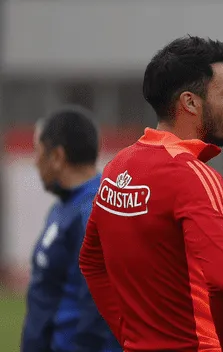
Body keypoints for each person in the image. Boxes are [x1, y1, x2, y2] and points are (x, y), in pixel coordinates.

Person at [78, 35, 223, 352]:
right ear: (190, 102)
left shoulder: (117, 168)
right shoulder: (193, 176)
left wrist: (128, 336)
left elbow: (91, 261)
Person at [21, 106, 121, 351]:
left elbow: (97, 304)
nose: (35, 162)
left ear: (57, 156)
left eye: (38, 152)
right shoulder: (65, 206)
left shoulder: (95, 211)